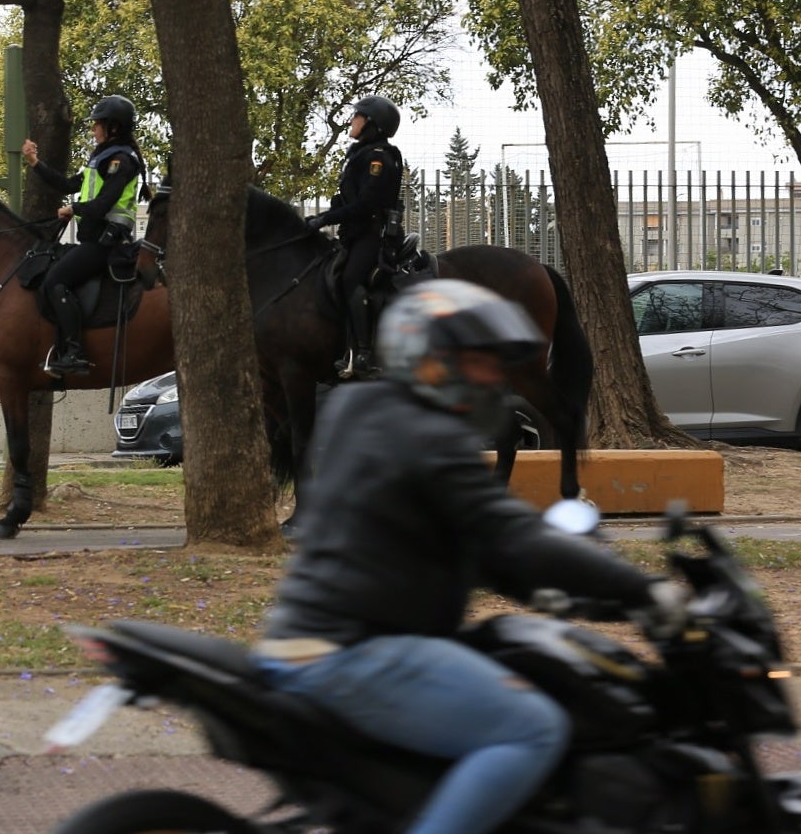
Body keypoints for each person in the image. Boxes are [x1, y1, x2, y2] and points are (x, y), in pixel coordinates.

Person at [254, 279, 688, 834]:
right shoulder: (432, 437)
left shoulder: (359, 408)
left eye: (494, 364)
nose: (493, 378)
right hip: (357, 651)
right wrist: (642, 588)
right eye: (477, 362)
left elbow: (443, 533)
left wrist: (543, 581)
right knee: (533, 727)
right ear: (429, 358)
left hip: (308, 636)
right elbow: (508, 533)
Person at [20, 95, 146, 375]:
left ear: (113, 127)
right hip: (92, 240)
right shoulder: (100, 158)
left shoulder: (121, 161)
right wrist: (34, 162)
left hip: (107, 244)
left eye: (97, 125)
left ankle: (75, 352)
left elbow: (102, 205)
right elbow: (67, 184)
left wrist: (72, 208)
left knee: (55, 280)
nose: (93, 130)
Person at [305, 94, 408, 379]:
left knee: (351, 279)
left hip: (373, 236)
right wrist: (322, 217)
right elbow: (347, 200)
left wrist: (325, 219)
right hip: (356, 234)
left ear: (372, 124)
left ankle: (364, 353)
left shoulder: (379, 158)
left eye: (357, 116)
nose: (352, 121)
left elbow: (366, 204)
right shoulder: (360, 154)